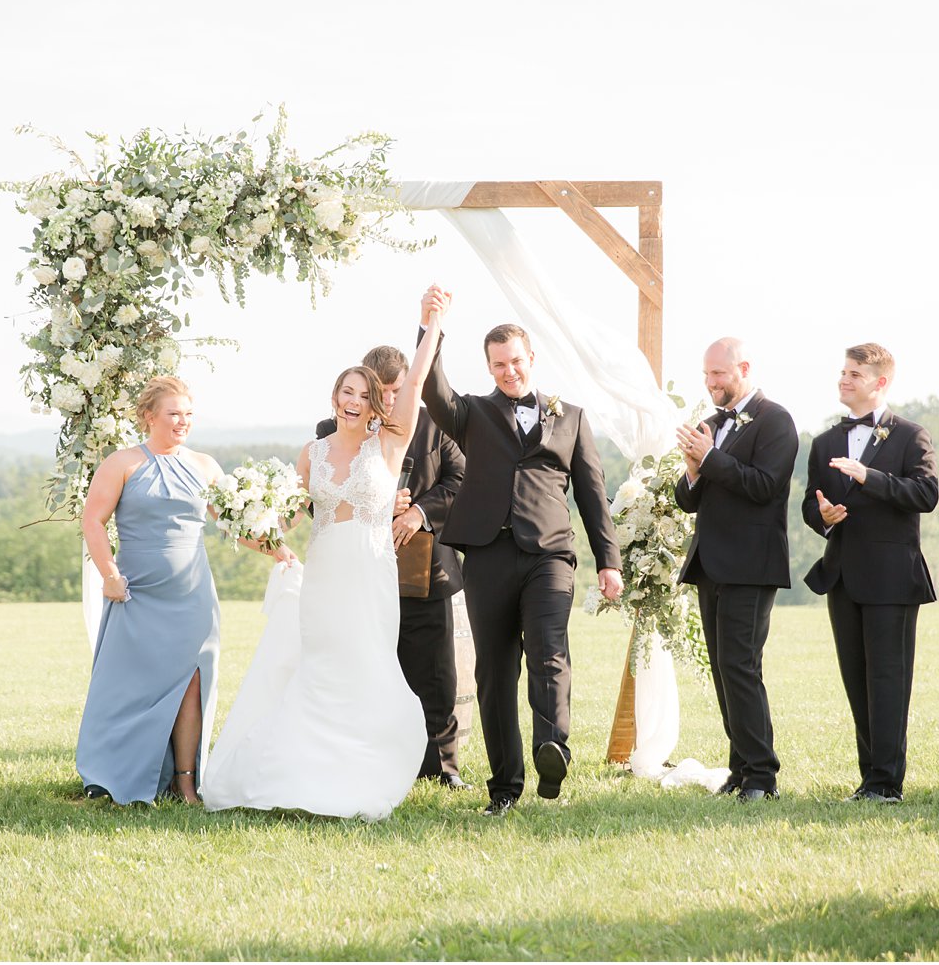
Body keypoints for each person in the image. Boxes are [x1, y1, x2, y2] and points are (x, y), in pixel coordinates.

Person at [201, 300, 443, 820]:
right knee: (322, 668)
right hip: (325, 575)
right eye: (346, 392)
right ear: (334, 397)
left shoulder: (392, 441)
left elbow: (419, 379)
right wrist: (243, 518)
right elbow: (285, 523)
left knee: (367, 665)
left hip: (371, 574)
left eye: (363, 394)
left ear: (377, 403)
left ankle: (363, 768)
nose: (353, 401)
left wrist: (432, 324)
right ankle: (301, 773)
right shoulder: (311, 453)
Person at [418, 286, 624, 816]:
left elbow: (592, 492)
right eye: (498, 365)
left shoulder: (571, 417)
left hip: (550, 555)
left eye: (516, 361)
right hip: (486, 554)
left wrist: (609, 560)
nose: (509, 371)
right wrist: (431, 327)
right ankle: (505, 786)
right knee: (495, 670)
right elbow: (434, 391)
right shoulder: (472, 414)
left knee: (550, 649)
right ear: (489, 368)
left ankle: (552, 747)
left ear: (531, 359)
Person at [76, 377, 288, 805]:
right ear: (149, 416)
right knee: (128, 684)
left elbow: (235, 523)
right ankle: (115, 771)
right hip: (134, 593)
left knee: (192, 682)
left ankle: (186, 782)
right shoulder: (122, 463)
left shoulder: (206, 466)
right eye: (174, 413)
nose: (182, 422)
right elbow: (92, 522)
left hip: (191, 594)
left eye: (188, 415)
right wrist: (109, 574)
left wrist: (278, 549)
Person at [315, 345, 470, 788]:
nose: (385, 403)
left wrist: (417, 512)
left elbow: (460, 479)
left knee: (435, 673)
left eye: (395, 392)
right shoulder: (330, 430)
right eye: (377, 393)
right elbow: (319, 500)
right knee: (363, 665)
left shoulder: (434, 424)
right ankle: (366, 757)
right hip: (357, 572)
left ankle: (441, 768)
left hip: (424, 570)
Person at [802, 343, 938, 804]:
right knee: (856, 678)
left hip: (892, 578)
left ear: (880, 382)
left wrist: (867, 477)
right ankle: (869, 779)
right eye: (842, 372)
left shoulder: (911, 436)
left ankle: (887, 783)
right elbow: (808, 503)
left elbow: (926, 493)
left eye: (855, 374)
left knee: (888, 679)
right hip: (842, 577)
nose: (844, 380)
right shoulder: (823, 443)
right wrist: (822, 514)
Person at [673, 338, 796, 802]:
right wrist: (692, 470)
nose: (710, 384)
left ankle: (763, 776)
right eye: (706, 375)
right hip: (710, 563)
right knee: (723, 671)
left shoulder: (776, 420)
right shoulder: (710, 425)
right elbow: (689, 499)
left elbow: (764, 486)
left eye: (718, 375)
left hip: (751, 564)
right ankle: (740, 769)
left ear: (743, 368)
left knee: (740, 666)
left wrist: (711, 459)